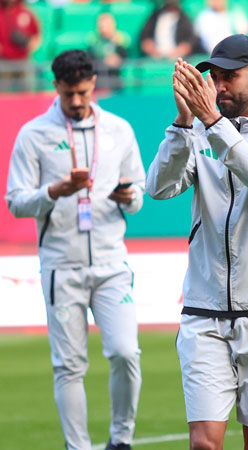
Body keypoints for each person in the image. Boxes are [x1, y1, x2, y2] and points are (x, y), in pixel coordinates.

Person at [145, 34, 248, 450]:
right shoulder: (199, 130)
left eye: (229, 77)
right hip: (205, 309)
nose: (219, 86)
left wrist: (212, 124)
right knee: (203, 443)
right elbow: (159, 189)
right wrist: (184, 124)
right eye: (214, 77)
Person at [6, 49, 145, 450]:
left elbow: (138, 194)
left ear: (93, 84)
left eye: (84, 92)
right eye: (69, 94)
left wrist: (128, 197)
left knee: (125, 352)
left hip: (111, 262)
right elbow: (15, 201)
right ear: (56, 87)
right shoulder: (34, 134)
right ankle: (78, 446)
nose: (78, 101)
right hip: (61, 265)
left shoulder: (118, 129)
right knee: (68, 365)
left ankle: (121, 439)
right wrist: (55, 191)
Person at [0, 0, 41, 91]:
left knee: (27, 91)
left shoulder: (26, 13)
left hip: (23, 61)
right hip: (3, 61)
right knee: (3, 93)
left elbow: (36, 37)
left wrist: (29, 43)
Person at [87, 12, 130, 91]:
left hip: (116, 79)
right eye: (101, 26)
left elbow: (126, 56)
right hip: (99, 81)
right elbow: (90, 57)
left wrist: (117, 56)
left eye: (107, 25)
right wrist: (104, 60)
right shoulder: (93, 40)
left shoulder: (122, 40)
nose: (104, 29)